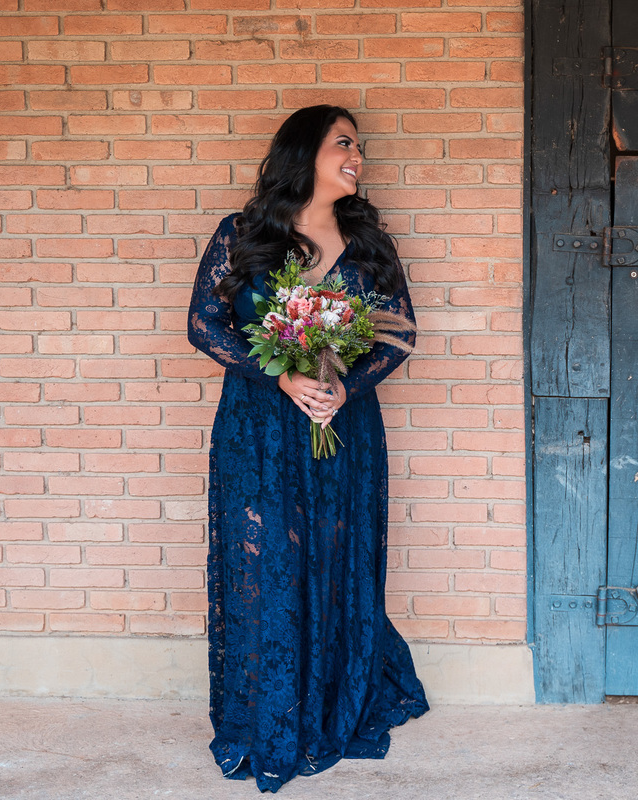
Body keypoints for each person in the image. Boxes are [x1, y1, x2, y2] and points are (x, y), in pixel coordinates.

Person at [187, 105, 429, 792]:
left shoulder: (368, 240)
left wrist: (345, 389)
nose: (358, 157)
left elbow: (400, 333)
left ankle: (330, 700)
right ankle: (266, 711)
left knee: (334, 556)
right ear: (304, 153)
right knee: (263, 563)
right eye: (343, 143)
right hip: (259, 427)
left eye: (360, 146)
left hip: (342, 428)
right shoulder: (243, 235)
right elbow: (204, 324)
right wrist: (281, 375)